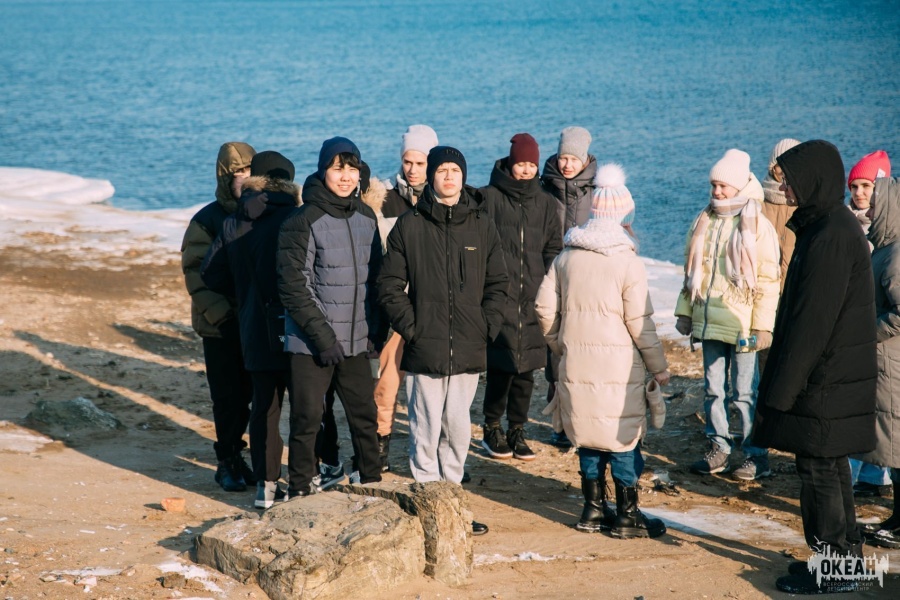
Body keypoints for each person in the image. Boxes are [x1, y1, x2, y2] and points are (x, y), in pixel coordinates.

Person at [751, 140, 877, 595]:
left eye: (790, 181)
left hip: (824, 379)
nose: (784, 188)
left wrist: (782, 388)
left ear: (814, 181)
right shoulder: (828, 225)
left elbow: (812, 322)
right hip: (832, 375)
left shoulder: (829, 236)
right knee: (830, 467)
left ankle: (836, 567)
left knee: (820, 472)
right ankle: (844, 558)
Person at [377, 146, 508, 536]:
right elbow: (388, 286)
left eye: (455, 170)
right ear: (431, 176)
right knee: (424, 427)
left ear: (463, 176)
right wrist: (413, 328)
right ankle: (428, 508)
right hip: (425, 346)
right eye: (442, 170)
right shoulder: (410, 225)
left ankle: (454, 508)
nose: (449, 177)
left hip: (469, 345)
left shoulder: (482, 225)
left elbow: (498, 284)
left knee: (457, 428)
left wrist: (486, 327)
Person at [535, 163, 670, 538]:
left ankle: (593, 510)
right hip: (619, 369)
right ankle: (628, 515)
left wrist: (561, 344)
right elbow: (640, 323)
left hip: (577, 364)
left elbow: (543, 308)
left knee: (589, 433)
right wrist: (659, 366)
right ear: (625, 216)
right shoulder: (628, 262)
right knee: (622, 437)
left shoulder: (567, 256)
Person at [277, 137, 385, 499]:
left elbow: (376, 278)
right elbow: (294, 285)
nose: (346, 176)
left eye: (352, 169)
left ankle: (370, 482)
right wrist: (323, 339)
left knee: (364, 416)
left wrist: (376, 332)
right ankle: (299, 490)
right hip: (312, 344)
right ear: (323, 171)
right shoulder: (302, 219)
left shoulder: (366, 217)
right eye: (338, 168)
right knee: (307, 419)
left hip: (356, 341)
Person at [200, 151, 300, 508]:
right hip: (294, 327)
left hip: (254, 327)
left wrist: (245, 292)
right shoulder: (297, 217)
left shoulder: (235, 221)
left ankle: (265, 486)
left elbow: (210, 274)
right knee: (303, 406)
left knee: (264, 407)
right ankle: (303, 480)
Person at [674, 149, 780, 481]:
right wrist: (686, 312)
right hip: (709, 321)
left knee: (745, 392)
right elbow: (692, 271)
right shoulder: (704, 219)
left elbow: (768, 280)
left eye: (723, 186)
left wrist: (763, 327)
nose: (717, 192)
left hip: (743, 324)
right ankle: (718, 447)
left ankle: (756, 455)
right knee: (713, 389)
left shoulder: (758, 224)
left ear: (739, 186)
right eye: (714, 186)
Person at [479, 133, 562, 461]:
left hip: (533, 298)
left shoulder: (545, 202)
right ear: (511, 163)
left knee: (526, 369)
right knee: (500, 367)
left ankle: (517, 429)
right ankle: (491, 427)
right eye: (521, 164)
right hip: (499, 296)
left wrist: (550, 287)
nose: (526, 170)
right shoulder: (489, 198)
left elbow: (553, 248)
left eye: (531, 164)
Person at [180, 141, 256, 492]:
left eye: (251, 170)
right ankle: (226, 460)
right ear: (225, 177)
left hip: (254, 321)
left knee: (252, 395)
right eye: (239, 172)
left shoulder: (263, 213)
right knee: (227, 398)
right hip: (220, 326)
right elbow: (196, 273)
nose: (245, 177)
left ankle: (242, 457)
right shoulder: (207, 219)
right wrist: (224, 317)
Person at [366, 125, 439, 471]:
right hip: (396, 309)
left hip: (433, 307)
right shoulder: (384, 199)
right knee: (386, 382)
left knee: (429, 387)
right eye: (407, 161)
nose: (412, 169)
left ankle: (431, 452)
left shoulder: (443, 198)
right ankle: (379, 446)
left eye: (420, 162)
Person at [540, 126, 597, 448]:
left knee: (585, 352)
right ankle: (560, 424)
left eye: (573, 159)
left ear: (584, 158)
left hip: (587, 282)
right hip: (551, 278)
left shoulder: (598, 190)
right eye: (563, 157)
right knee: (555, 352)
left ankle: (584, 421)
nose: (566, 164)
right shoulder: (544, 187)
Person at [845, 151, 893, 498]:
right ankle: (868, 474)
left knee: (883, 406)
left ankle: (877, 475)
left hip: (879, 333)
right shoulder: (847, 224)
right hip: (857, 328)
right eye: (854, 186)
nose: (860, 193)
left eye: (867, 186)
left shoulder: (889, 233)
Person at [857, 175, 900, 549]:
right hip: (885, 361)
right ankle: (898, 517)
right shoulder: (884, 248)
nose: (868, 210)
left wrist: (867, 333)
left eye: (874, 204)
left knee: (897, 441)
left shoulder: (896, 254)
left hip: (892, 363)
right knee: (892, 443)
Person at [757, 138, 800, 378]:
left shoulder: (803, 205)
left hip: (795, 289)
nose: (783, 173)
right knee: (765, 355)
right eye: (780, 166)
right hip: (765, 292)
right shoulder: (758, 203)